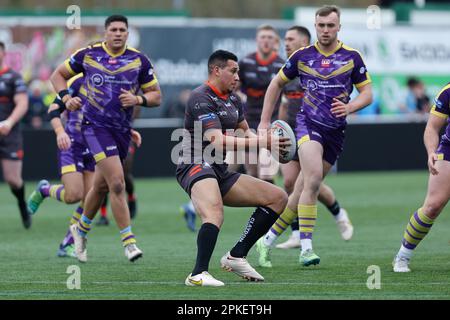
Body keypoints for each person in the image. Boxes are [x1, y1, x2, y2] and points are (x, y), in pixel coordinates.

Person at [258, 5, 373, 266]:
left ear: (339, 27)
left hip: (336, 132)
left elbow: (368, 94)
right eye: (320, 25)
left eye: (330, 25)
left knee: (300, 189)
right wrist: (265, 121)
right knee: (311, 180)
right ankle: (306, 248)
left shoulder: (352, 57)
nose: (325, 30)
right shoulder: (302, 56)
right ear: (315, 26)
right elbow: (276, 83)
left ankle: (266, 241)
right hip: (308, 125)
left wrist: (351, 106)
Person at [50, 14, 161, 263]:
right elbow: (57, 75)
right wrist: (67, 98)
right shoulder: (88, 55)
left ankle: (79, 230)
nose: (118, 33)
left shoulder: (139, 60)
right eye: (114, 29)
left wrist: (138, 99)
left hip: (121, 130)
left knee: (99, 186)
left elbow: (156, 95)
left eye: (122, 29)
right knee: (118, 183)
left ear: (127, 33)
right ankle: (129, 242)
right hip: (93, 128)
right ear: (106, 32)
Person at [176, 50, 289, 286]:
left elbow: (246, 133)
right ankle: (197, 274)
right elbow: (217, 139)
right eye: (233, 71)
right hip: (194, 163)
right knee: (215, 212)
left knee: (278, 197)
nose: (238, 76)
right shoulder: (200, 97)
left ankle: (236, 255)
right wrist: (262, 142)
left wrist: (273, 145)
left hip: (219, 169)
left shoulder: (234, 99)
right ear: (216, 70)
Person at [392, 82, 450, 272]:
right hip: (449, 153)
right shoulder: (448, 91)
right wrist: (431, 152)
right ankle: (403, 256)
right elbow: (432, 128)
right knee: (433, 206)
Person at [237, 24, 285, 182]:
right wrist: (238, 97)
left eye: (270, 38)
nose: (266, 41)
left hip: (271, 124)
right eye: (262, 37)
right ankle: (262, 206)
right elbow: (232, 88)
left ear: (275, 41)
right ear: (256, 40)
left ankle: (271, 205)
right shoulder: (245, 63)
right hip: (248, 123)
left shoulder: (282, 65)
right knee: (252, 173)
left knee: (266, 173)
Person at [0, 41, 31, 229]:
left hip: (9, 134)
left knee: (13, 179)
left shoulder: (13, 77)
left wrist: (9, 122)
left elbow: (22, 103)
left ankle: (22, 205)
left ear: (3, 54)